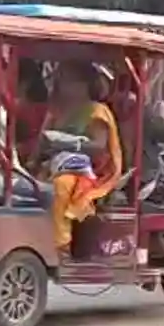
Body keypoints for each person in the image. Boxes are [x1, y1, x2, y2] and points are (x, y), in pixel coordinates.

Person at [36, 61, 123, 256]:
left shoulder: (97, 110)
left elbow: (98, 147)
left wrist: (68, 144)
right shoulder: (58, 110)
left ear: (86, 84)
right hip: (54, 163)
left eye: (70, 81)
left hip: (87, 171)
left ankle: (61, 244)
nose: (64, 86)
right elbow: (42, 143)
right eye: (62, 81)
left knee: (61, 185)